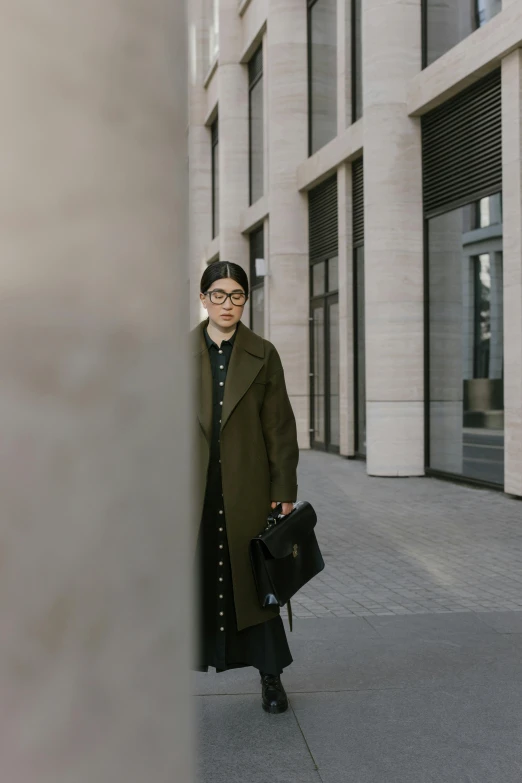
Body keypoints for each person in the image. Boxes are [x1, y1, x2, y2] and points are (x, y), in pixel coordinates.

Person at [193, 259, 299, 714]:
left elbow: (280, 429)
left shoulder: (264, 353)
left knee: (255, 583)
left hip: (247, 487)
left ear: (245, 301)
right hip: (190, 488)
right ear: (203, 299)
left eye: (237, 295)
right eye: (219, 294)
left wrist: (285, 489)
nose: (228, 304)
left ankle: (270, 677)